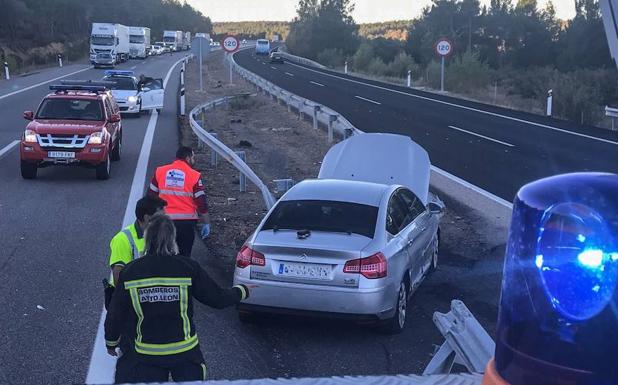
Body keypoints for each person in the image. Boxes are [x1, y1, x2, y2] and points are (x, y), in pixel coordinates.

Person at [104, 213, 251, 383]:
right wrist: (242, 291)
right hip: (185, 354)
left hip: (146, 354)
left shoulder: (131, 272)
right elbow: (217, 298)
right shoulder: (188, 267)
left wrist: (111, 341)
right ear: (173, 238)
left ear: (147, 239)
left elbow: (116, 312)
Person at [148, 146, 210, 257]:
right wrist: (206, 222)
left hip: (164, 222)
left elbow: (150, 196)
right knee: (184, 257)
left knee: (163, 255)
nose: (194, 161)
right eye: (193, 158)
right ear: (187, 157)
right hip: (186, 224)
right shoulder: (194, 176)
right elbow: (201, 202)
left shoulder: (160, 171)